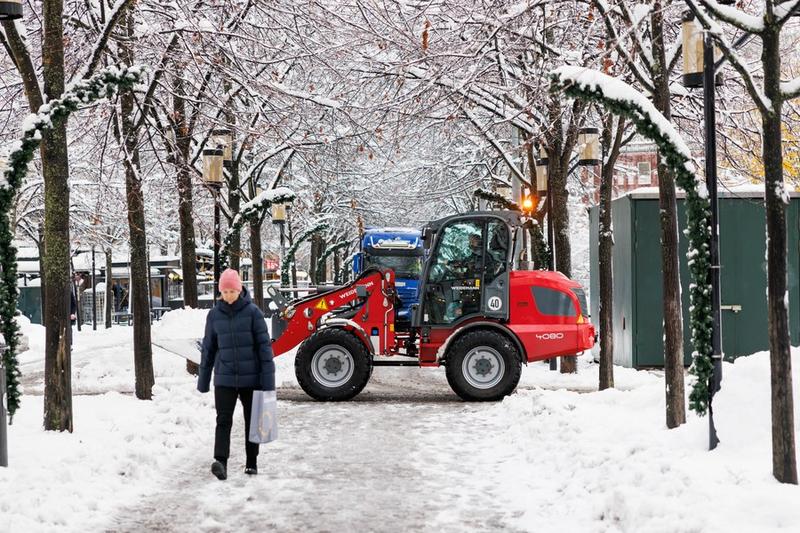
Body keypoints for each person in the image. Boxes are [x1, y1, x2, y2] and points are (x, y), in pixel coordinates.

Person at [197, 268, 275, 480]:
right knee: (223, 420)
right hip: (225, 378)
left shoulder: (253, 313)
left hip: (252, 378)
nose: (229, 295)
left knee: (252, 421)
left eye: (232, 291)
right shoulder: (214, 316)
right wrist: (203, 381)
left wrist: (268, 384)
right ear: (220, 292)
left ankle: (252, 462)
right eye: (225, 291)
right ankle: (220, 461)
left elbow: (264, 350)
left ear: (239, 290)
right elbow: (209, 349)